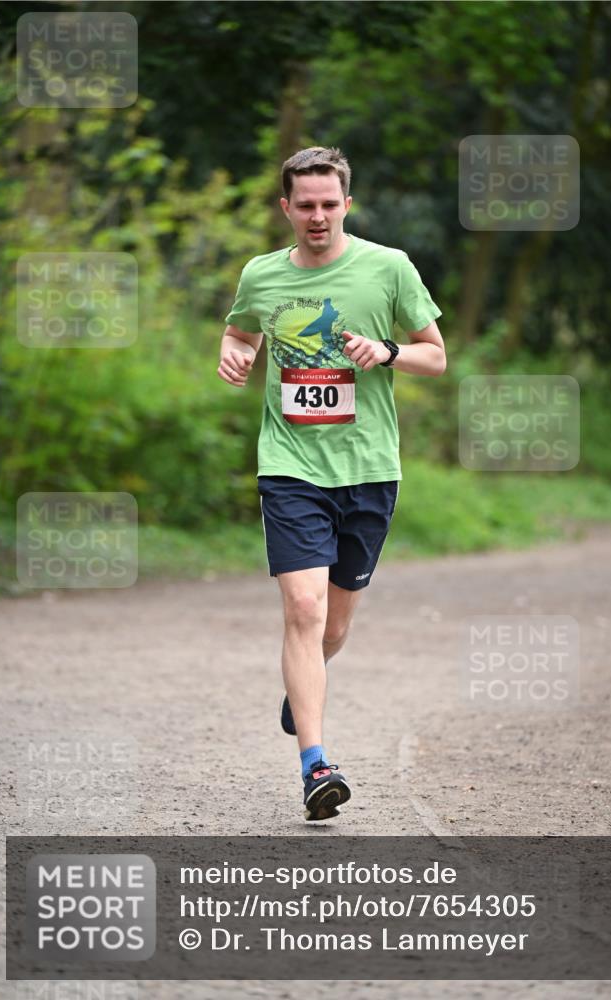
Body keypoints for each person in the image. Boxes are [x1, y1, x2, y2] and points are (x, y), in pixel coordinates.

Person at [218, 146, 446, 821]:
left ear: (346, 203)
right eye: (304, 205)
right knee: (304, 611)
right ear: (285, 207)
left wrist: (389, 352)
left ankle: (303, 687)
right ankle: (316, 765)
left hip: (369, 468)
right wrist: (235, 355)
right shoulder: (260, 275)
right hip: (290, 465)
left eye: (328, 203)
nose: (317, 216)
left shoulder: (387, 268)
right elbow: (239, 336)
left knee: (334, 626)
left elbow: (436, 355)